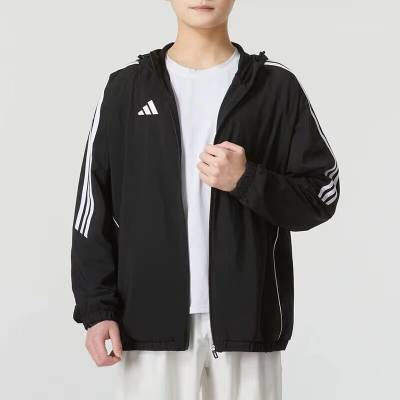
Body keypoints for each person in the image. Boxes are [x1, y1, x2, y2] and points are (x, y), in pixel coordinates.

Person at [70, 0, 340, 399]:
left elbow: (321, 192)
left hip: (248, 321)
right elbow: (92, 206)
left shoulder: (274, 87)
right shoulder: (126, 89)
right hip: (148, 322)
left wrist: (247, 180)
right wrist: (97, 309)